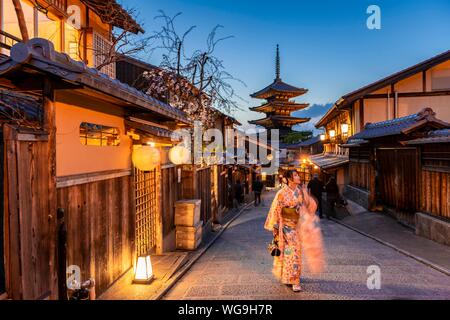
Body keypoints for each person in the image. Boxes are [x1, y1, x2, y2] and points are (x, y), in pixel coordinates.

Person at [265, 170, 325, 292]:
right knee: (293, 251)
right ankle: (294, 280)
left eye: (298, 175)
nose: (298, 177)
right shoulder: (281, 193)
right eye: (295, 175)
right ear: (288, 179)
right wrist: (276, 226)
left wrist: (305, 204)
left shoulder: (299, 191)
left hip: (297, 226)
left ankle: (288, 276)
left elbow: (308, 206)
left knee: (290, 252)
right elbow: (276, 209)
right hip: (285, 227)